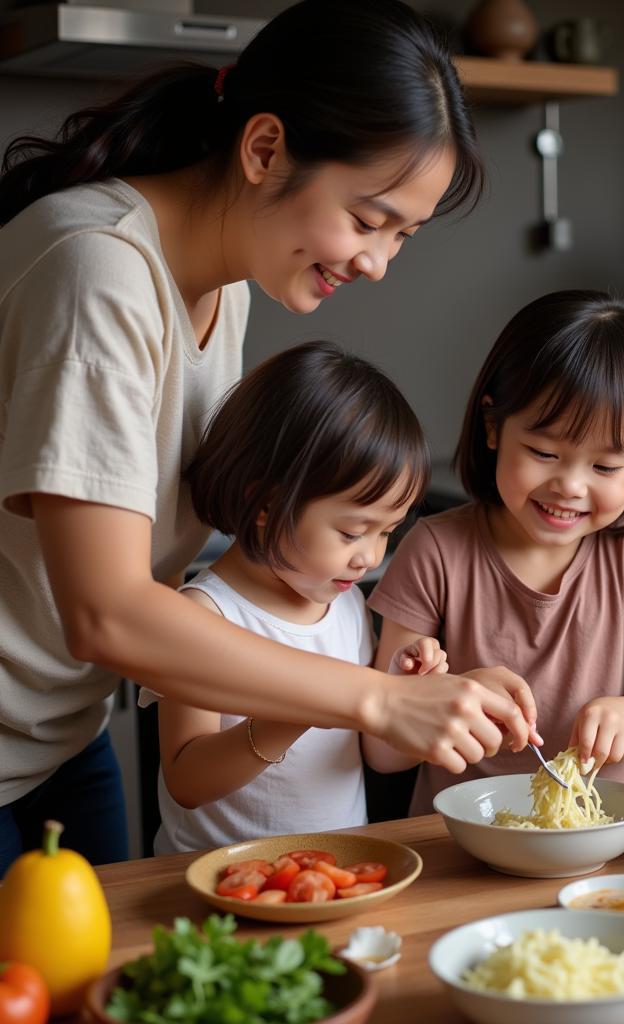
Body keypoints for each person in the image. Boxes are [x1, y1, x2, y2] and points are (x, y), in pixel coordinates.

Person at [0, 0, 532, 873]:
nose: (377, 263)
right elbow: (105, 611)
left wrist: (396, 684)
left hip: (60, 732)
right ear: (263, 150)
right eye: (367, 220)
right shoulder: (96, 274)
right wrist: (374, 701)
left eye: (402, 234)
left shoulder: (231, 284)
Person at [365, 290, 624, 816]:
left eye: (605, 468)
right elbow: (383, 753)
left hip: (599, 826)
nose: (570, 486)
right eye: (544, 453)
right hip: (459, 837)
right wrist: (441, 697)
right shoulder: (435, 550)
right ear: (493, 427)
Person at [142, 342, 454, 853]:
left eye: (388, 533)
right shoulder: (203, 615)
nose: (370, 558)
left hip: (335, 877)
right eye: (353, 532)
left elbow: (379, 758)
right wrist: (299, 708)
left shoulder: (347, 605)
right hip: (220, 887)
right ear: (265, 505)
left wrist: (406, 695)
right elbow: (186, 781)